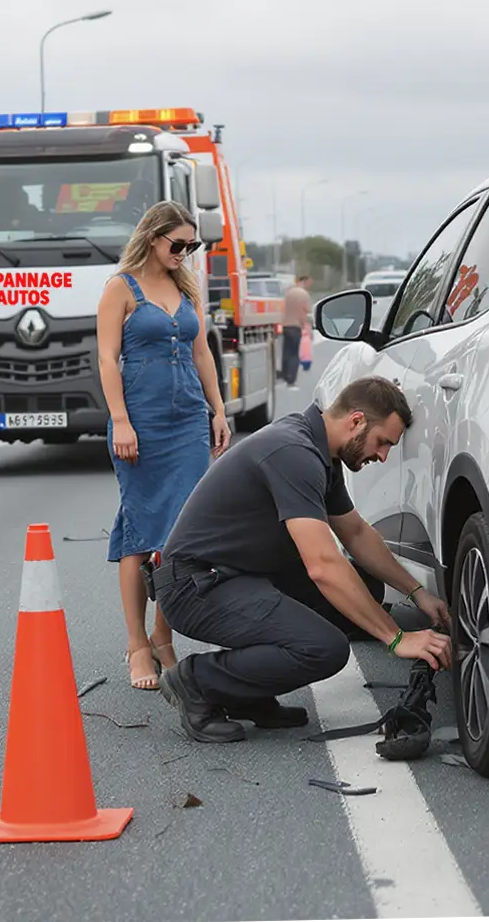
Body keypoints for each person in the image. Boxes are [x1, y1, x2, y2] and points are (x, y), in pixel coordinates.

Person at [150, 375, 453, 742]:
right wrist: (396, 638)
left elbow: (356, 534)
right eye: (382, 442)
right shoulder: (293, 453)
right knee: (324, 649)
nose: (383, 455)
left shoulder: (319, 451)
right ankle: (198, 681)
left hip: (237, 574)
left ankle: (247, 693)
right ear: (356, 421)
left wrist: (417, 592)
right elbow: (322, 566)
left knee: (365, 589)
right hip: (196, 586)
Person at [97, 200, 233, 691]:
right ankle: (137, 645)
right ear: (152, 238)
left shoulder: (186, 288)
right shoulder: (120, 288)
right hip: (142, 425)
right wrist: (120, 421)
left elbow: (202, 353)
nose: (185, 252)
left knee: (181, 536)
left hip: (188, 426)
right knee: (140, 531)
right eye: (178, 244)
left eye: (191, 245)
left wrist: (218, 410)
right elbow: (108, 361)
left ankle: (163, 636)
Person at [280, 274, 312, 389]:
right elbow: (306, 310)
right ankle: (291, 379)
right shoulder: (303, 294)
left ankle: (284, 374)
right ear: (305, 281)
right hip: (296, 326)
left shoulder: (289, 292)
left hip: (285, 325)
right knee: (294, 354)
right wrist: (306, 326)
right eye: (309, 282)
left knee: (286, 352)